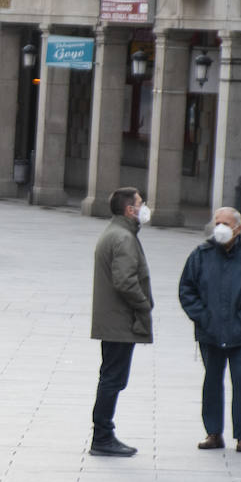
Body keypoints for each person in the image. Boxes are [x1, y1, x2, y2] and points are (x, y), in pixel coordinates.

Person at [179, 207, 241, 453]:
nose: (220, 227)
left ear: (238, 229)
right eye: (217, 222)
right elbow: (187, 289)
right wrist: (202, 317)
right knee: (212, 381)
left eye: (226, 223)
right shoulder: (201, 253)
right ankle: (213, 432)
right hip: (210, 332)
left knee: (240, 382)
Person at [90, 186, 154, 457]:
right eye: (140, 202)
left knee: (110, 377)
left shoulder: (116, 232)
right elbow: (125, 281)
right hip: (120, 322)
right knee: (113, 379)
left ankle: (103, 434)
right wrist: (144, 305)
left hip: (113, 321)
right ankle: (103, 436)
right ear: (130, 209)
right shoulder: (124, 237)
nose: (144, 207)